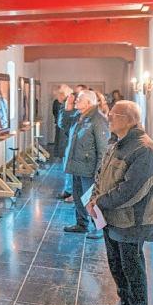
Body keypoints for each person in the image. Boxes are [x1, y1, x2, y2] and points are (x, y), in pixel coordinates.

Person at [87, 101, 153, 305]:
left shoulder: (144, 149)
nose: (108, 117)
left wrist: (100, 202)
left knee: (132, 267)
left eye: (113, 114)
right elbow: (101, 175)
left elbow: (132, 191)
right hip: (110, 217)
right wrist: (94, 198)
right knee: (116, 264)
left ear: (129, 119)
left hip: (131, 220)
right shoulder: (116, 143)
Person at [62, 91, 109, 239]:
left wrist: (99, 173)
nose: (76, 101)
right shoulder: (79, 116)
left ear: (89, 102)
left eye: (79, 99)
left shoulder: (98, 119)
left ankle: (100, 228)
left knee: (91, 200)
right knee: (78, 197)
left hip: (89, 168)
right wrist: (67, 108)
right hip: (76, 166)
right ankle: (81, 224)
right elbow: (63, 125)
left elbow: (103, 149)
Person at [57, 88, 78, 200]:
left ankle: (71, 191)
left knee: (72, 171)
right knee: (67, 169)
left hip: (75, 146)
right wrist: (66, 109)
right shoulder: (66, 110)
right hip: (67, 144)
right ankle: (68, 189)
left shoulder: (78, 113)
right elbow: (62, 124)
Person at [51, 86, 67, 158]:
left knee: (63, 139)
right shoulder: (56, 102)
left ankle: (62, 154)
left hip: (65, 123)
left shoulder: (67, 102)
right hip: (58, 122)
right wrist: (57, 119)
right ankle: (57, 153)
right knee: (57, 138)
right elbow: (54, 111)